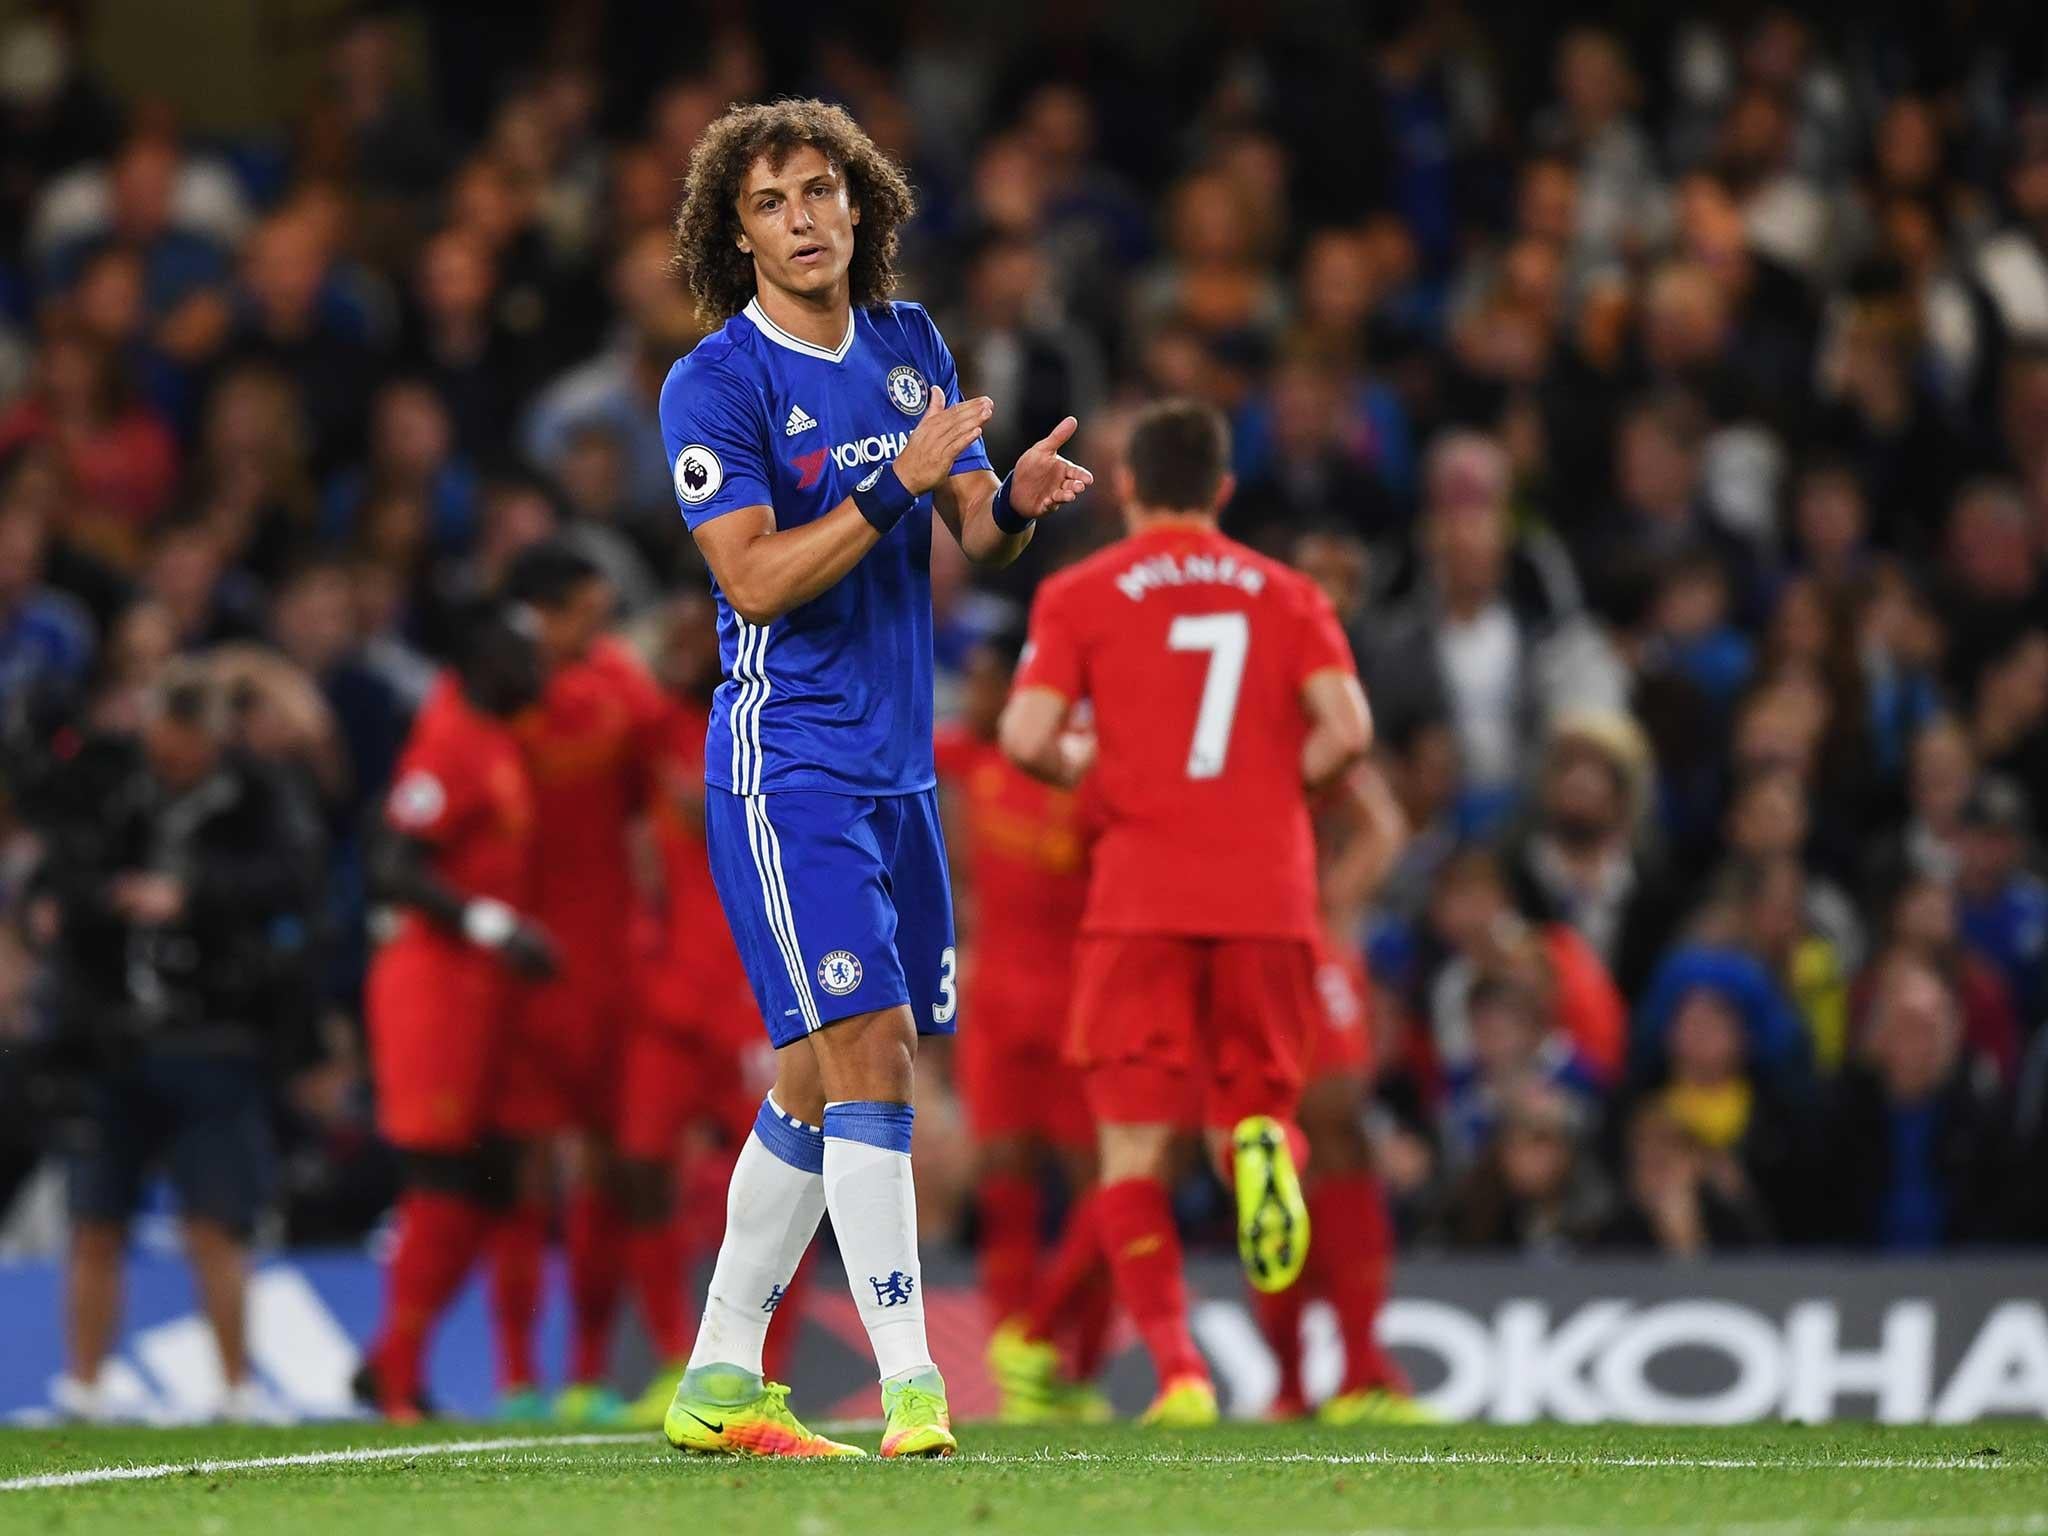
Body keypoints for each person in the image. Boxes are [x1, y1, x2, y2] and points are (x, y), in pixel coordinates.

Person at [655, 98, 1090, 1459]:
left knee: (807, 1079)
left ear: (863, 208)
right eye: (774, 201)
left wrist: (1006, 499)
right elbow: (754, 579)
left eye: (822, 193)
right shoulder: (715, 383)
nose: (804, 220)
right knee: (873, 1056)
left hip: (899, 772)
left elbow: (974, 527)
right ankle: (914, 1383)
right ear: (738, 231)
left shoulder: (909, 347)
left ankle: (721, 1380)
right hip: (789, 769)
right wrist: (898, 488)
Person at [1000, 398, 1371, 1426]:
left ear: (1124, 485)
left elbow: (1027, 736)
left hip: (1141, 896)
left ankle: (1180, 1377)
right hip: (1267, 892)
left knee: (1128, 1148)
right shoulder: (1287, 593)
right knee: (1254, 1111)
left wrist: (1095, 769)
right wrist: (1264, 791)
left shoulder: (1081, 592)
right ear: (1221, 490)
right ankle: (1264, 1152)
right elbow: (1348, 731)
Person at [44, 660, 324, 1423]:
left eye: (183, 749)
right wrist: (111, 899)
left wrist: (193, 894)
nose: (171, 762)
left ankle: (236, 1388)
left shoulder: (258, 792)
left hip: (214, 1036)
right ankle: (85, 1387)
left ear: (210, 736)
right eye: (162, 747)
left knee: (217, 1220)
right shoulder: (111, 785)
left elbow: (295, 880)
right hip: (110, 1039)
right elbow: (61, 878)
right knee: (96, 1219)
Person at [354, 604, 553, 1421]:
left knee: (494, 1177)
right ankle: (396, 1374)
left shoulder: (495, 736)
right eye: (523, 660)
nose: (538, 678)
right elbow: (391, 865)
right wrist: (488, 923)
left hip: (482, 996)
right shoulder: (446, 742)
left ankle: (396, 1364)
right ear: (482, 661)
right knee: (438, 1174)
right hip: (433, 992)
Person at [494, 538, 668, 1426]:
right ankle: (519, 1377)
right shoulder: (491, 693)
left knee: (605, 1165)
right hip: (520, 969)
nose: (601, 634)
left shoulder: (618, 688)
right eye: (587, 617)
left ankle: (589, 1374)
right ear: (541, 616)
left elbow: (654, 794)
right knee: (524, 1171)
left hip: (606, 966)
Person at [614, 590, 784, 1429]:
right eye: (678, 634)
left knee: (783, 1179)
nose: (690, 647)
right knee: (641, 1170)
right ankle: (671, 1351)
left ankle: (759, 1369)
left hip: (755, 991)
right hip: (670, 999)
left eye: (702, 632)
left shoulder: (777, 723)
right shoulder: (652, 733)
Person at [934, 631, 1106, 1425]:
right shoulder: (969, 759)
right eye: (972, 678)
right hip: (1000, 999)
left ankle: (1075, 1365)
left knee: (1095, 1185)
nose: (975, 693)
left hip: (1080, 1002)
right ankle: (1013, 1364)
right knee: (1005, 1177)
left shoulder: (1085, 768)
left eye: (989, 677)